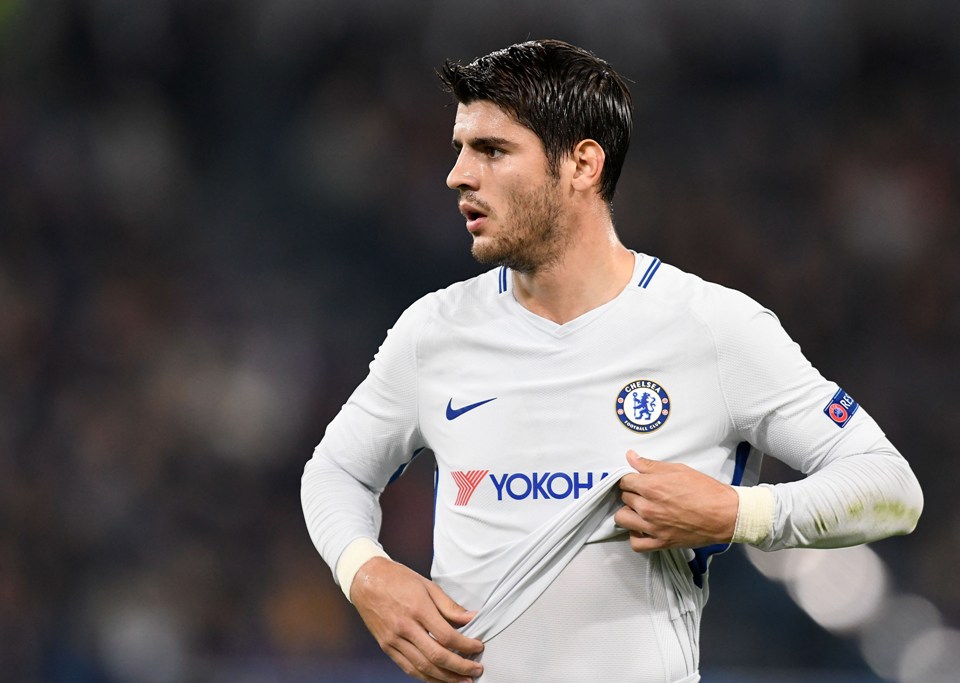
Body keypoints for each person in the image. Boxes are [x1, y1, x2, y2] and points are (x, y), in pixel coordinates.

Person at [300, 39, 923, 683]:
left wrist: (739, 514)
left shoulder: (710, 327)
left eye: (491, 150)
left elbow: (890, 487)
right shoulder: (434, 331)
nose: (458, 174)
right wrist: (364, 572)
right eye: (460, 149)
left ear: (582, 165)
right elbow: (335, 472)